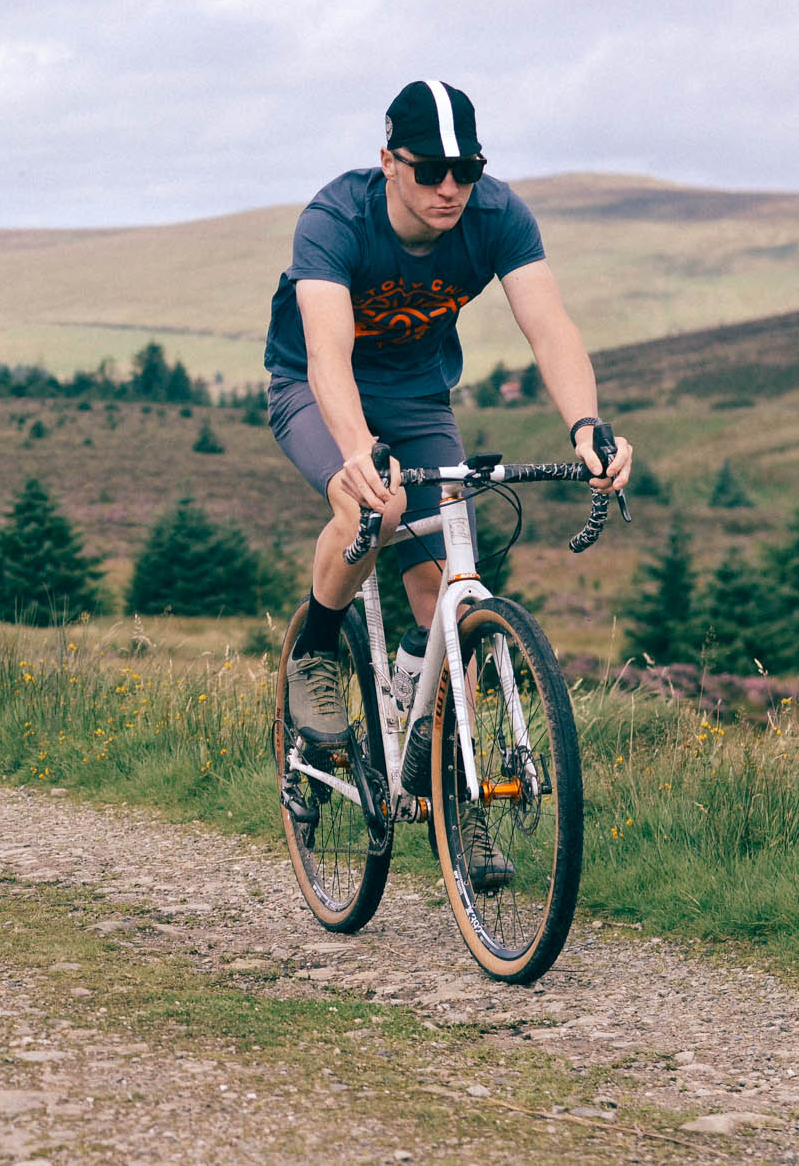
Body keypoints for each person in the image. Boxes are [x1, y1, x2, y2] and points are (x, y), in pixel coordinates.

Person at [263, 79, 633, 886]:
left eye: (465, 170)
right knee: (376, 503)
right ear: (388, 161)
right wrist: (357, 451)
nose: (449, 188)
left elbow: (549, 326)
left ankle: (446, 782)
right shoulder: (335, 219)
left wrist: (586, 425)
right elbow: (326, 352)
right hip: (316, 389)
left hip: (420, 397)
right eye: (430, 170)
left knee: (447, 590)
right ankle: (316, 653)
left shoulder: (497, 216)